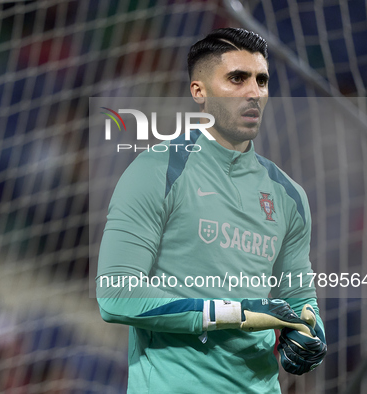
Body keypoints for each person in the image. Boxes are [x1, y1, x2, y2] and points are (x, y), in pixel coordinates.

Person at [96, 28, 327, 393]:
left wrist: (310, 334)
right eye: (237, 78)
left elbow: (298, 297)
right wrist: (234, 313)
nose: (254, 92)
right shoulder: (156, 172)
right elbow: (116, 295)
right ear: (198, 91)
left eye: (261, 80)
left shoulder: (289, 195)